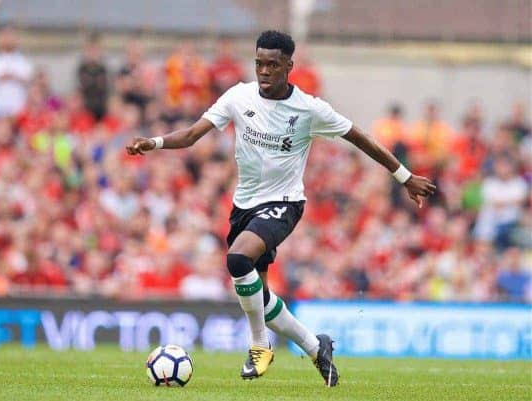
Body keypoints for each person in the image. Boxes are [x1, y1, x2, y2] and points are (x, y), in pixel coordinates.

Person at [126, 30, 436, 386]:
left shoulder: (308, 109)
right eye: (259, 63)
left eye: (273, 65)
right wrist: (155, 142)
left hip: (284, 203)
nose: (264, 71)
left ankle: (259, 345)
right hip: (244, 207)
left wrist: (404, 176)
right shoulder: (238, 97)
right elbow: (194, 134)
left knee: (238, 259)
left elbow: (361, 138)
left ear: (289, 66)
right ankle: (315, 345)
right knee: (260, 296)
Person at [0, 25, 33, 118]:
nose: (8, 39)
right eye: (5, 36)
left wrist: (10, 75)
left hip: (17, 108)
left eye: (11, 36)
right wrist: (13, 76)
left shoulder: (22, 59)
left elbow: (27, 79)